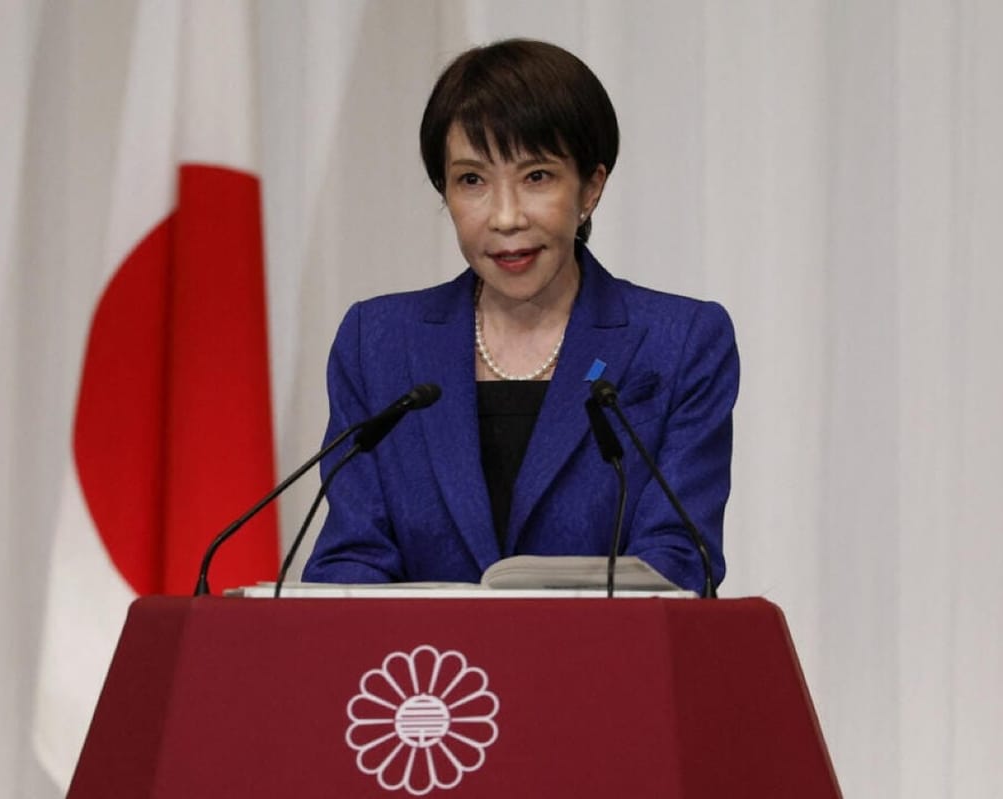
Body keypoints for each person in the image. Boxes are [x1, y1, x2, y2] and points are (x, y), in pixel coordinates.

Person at [302, 39, 738, 594]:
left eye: (537, 177)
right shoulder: (378, 343)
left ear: (591, 188)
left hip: (602, 651)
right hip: (422, 654)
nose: (505, 217)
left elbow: (678, 561)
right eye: (472, 180)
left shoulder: (679, 343)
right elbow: (351, 556)